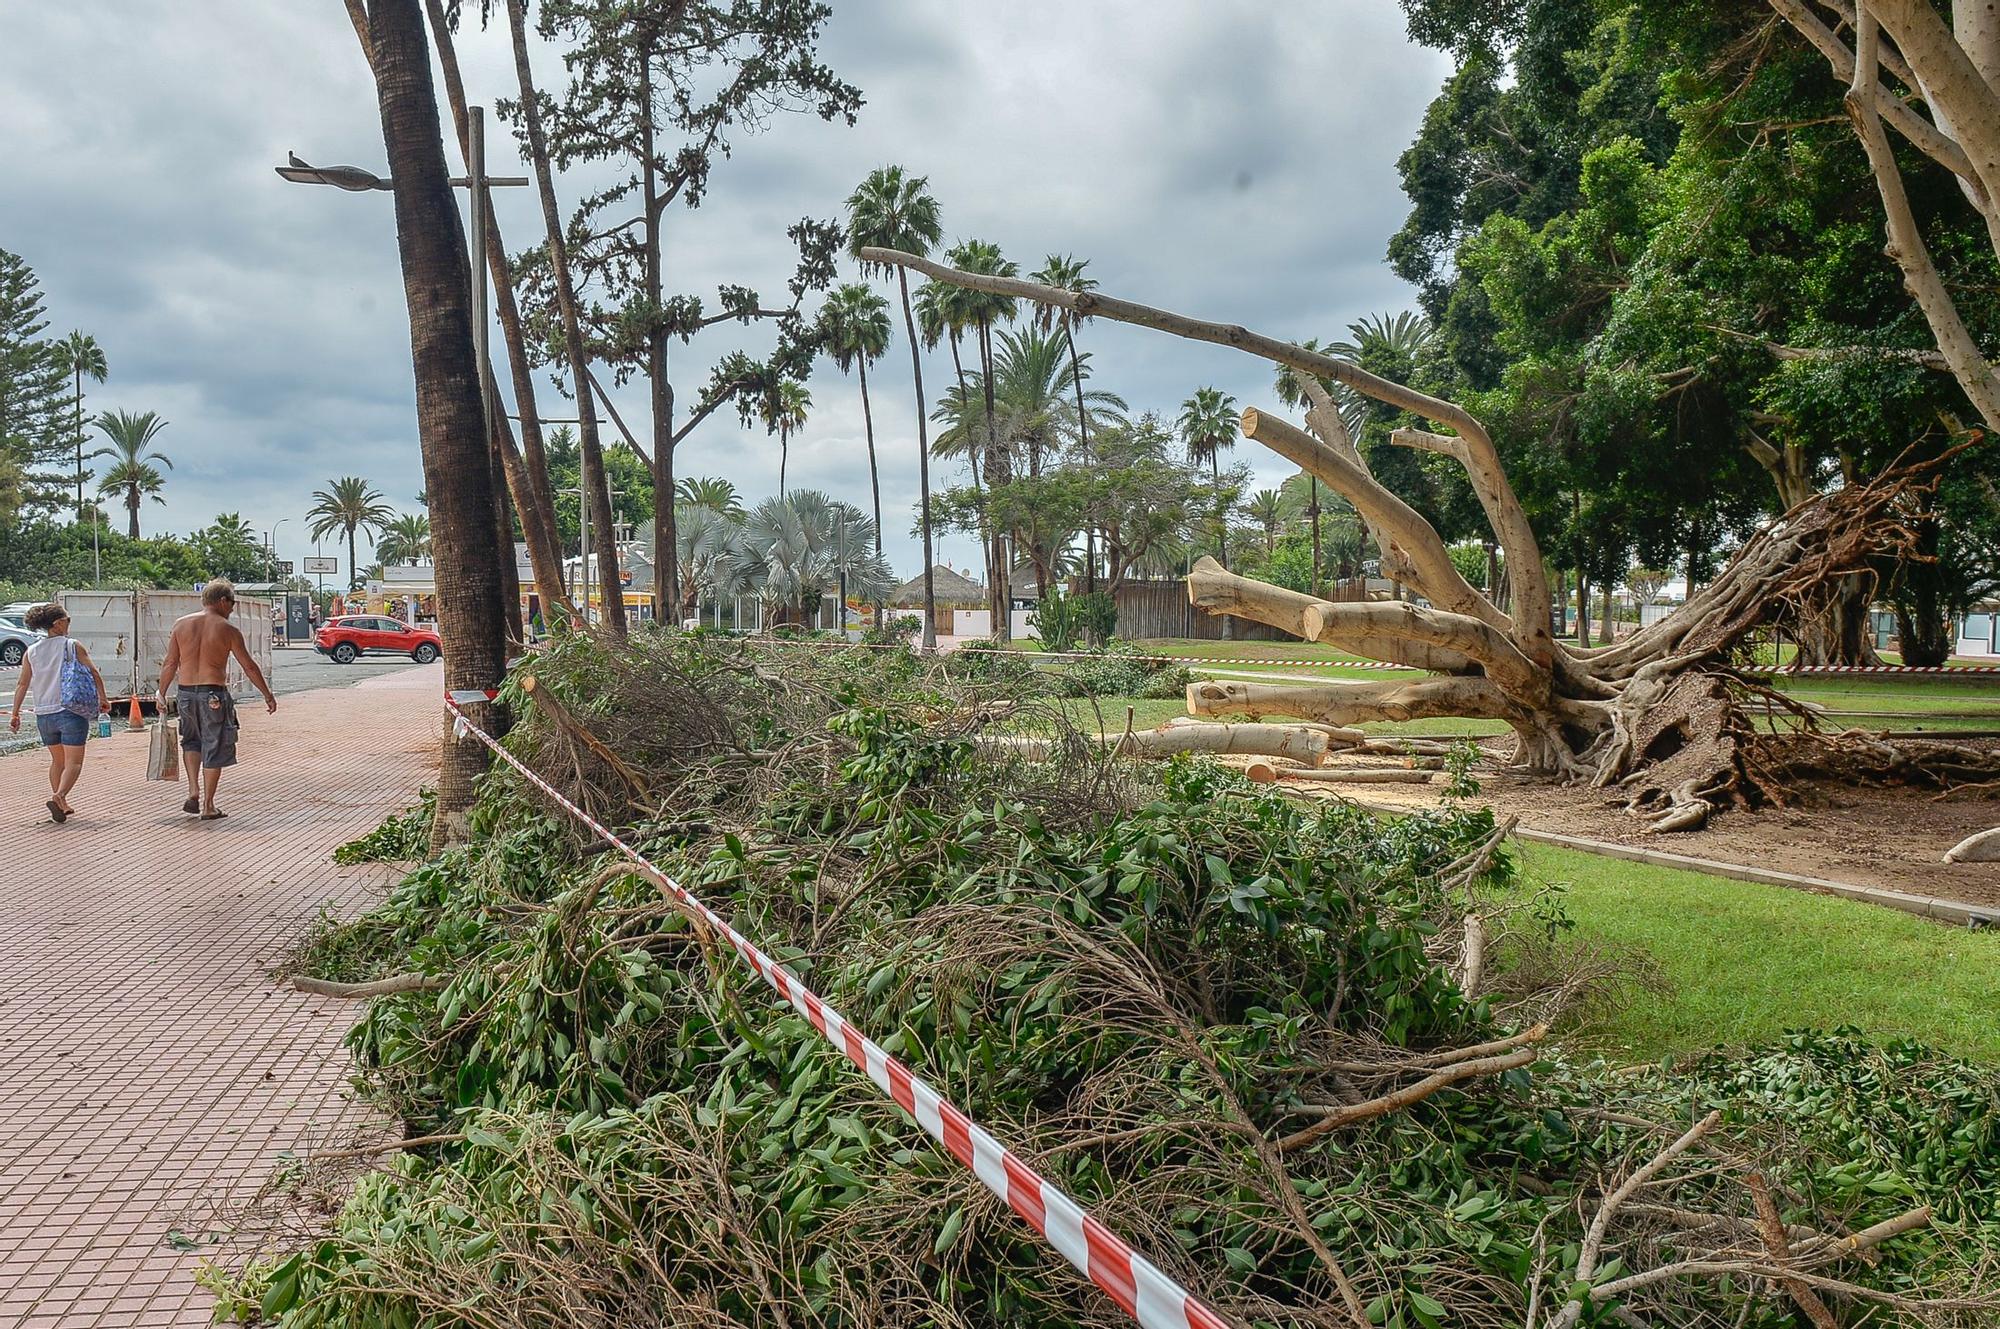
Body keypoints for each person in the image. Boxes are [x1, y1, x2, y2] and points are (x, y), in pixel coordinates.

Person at [158, 579, 278, 821]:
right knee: (214, 744)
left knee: (191, 741)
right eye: (232, 603)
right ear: (222, 601)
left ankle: (193, 790)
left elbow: (170, 663)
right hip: (213, 693)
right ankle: (209, 805)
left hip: (185, 693)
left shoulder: (181, 625)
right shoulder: (228, 629)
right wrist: (267, 694)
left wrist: (161, 693)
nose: (232, 608)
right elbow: (249, 667)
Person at [7, 602, 109, 823]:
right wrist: (103, 698)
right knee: (74, 762)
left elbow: (22, 684)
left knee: (58, 761)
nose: (69, 624)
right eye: (68, 620)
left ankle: (61, 805)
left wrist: (15, 714)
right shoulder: (72, 645)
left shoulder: (31, 652)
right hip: (69, 711)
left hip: (43, 715)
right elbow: (93, 673)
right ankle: (59, 795)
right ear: (58, 623)